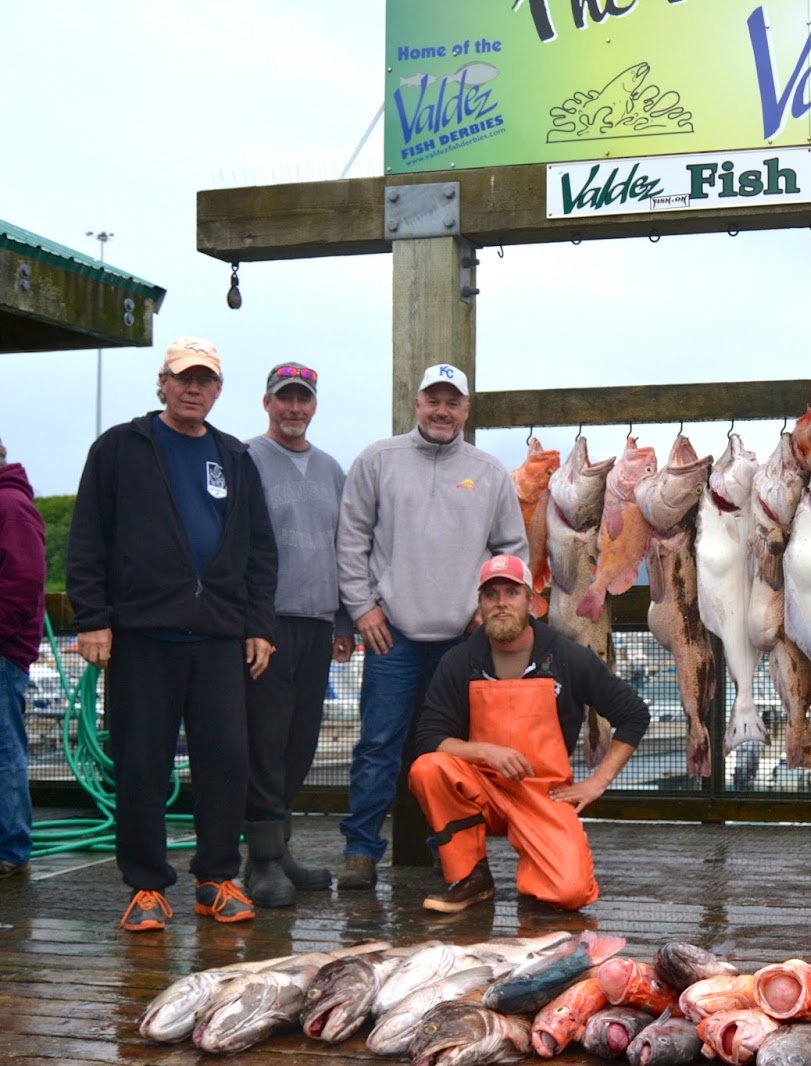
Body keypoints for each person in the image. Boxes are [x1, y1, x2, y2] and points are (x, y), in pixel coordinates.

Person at [67, 338, 277, 931]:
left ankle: (215, 877)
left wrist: (259, 624)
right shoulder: (119, 447)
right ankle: (145, 885)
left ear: (218, 390)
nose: (193, 389)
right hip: (141, 636)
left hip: (217, 638)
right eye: (183, 378)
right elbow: (87, 539)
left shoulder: (234, 456)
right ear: (162, 383)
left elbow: (261, 550)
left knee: (226, 760)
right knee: (140, 763)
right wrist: (92, 618)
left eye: (205, 380)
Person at [335, 363, 527, 890]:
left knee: (453, 752)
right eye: (433, 400)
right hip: (390, 633)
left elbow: (511, 550)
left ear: (466, 410)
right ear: (416, 403)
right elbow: (350, 540)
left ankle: (455, 855)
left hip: (462, 642)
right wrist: (362, 608)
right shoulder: (377, 459)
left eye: (453, 402)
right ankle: (360, 850)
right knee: (378, 744)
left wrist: (488, 610)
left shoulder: (489, 471)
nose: (442, 411)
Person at [408, 554, 649, 912]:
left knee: (571, 892)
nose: (501, 603)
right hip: (482, 789)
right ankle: (470, 876)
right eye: (491, 595)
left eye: (511, 593)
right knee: (428, 769)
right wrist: (486, 752)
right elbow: (429, 736)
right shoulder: (459, 661)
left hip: (542, 796)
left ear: (532, 602)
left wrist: (598, 781)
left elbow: (633, 714)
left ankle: (539, 869)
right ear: (480, 604)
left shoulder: (568, 658)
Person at [242, 362, 354, 907]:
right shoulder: (246, 459)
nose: (294, 408)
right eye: (284, 398)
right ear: (267, 403)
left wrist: (344, 622)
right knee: (264, 742)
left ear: (314, 406)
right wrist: (250, 623)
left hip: (317, 622)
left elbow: (346, 548)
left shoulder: (333, 469)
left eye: (303, 399)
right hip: (267, 625)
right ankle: (261, 861)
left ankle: (278, 848)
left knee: (300, 743)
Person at [0, 434, 47, 879]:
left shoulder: (10, 506)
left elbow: (24, 580)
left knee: (3, 750)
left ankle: (11, 849)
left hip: (3, 654)